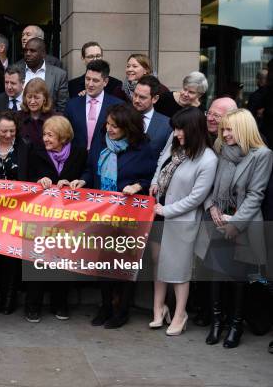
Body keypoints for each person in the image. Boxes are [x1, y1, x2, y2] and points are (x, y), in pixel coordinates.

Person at [69, 103, 157, 328]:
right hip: (102, 211)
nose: (109, 129)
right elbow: (91, 169)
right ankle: (106, 306)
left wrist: (138, 186)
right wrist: (84, 180)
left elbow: (150, 179)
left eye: (115, 126)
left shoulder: (142, 148)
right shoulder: (100, 142)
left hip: (128, 213)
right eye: (108, 124)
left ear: (127, 127)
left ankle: (122, 309)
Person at [195, 109, 273, 348]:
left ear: (243, 129)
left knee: (240, 278)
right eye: (223, 129)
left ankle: (236, 325)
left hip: (244, 224)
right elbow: (210, 187)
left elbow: (255, 195)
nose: (225, 134)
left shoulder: (262, 154)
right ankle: (217, 322)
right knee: (216, 273)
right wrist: (213, 210)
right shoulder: (221, 150)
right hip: (217, 221)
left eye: (230, 129)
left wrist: (235, 225)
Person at [149, 107, 217, 336]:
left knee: (180, 270)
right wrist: (157, 182)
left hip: (181, 220)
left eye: (180, 129)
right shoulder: (180, 147)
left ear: (193, 129)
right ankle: (162, 309)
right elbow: (163, 165)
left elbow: (196, 198)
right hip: (163, 213)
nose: (176, 133)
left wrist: (167, 209)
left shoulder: (207, 159)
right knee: (161, 264)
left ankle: (180, 314)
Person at [25, 115, 87, 322]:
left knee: (63, 259)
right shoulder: (36, 152)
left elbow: (87, 173)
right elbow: (26, 177)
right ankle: (33, 305)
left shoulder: (78, 153)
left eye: (50, 135)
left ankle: (60, 303)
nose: (45, 139)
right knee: (38, 259)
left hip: (68, 216)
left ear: (62, 137)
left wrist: (78, 181)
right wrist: (38, 180)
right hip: (41, 216)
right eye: (44, 134)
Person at [0, 111, 29, 315]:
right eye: (4, 131)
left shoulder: (25, 146)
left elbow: (31, 175)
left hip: (17, 211)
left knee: (12, 254)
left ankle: (10, 296)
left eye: (12, 131)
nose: (9, 135)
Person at [64, 60, 123, 150]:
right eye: (87, 79)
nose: (90, 84)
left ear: (105, 82)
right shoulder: (72, 105)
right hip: (77, 160)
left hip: (105, 160)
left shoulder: (118, 105)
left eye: (95, 80)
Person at [22, 38, 68, 112]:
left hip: (49, 121)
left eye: (32, 51)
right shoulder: (17, 71)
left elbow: (62, 106)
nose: (28, 54)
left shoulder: (59, 75)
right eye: (25, 51)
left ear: (43, 54)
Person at [132, 75, 173, 157]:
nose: (136, 100)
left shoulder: (167, 125)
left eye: (142, 97)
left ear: (155, 99)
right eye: (135, 95)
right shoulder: (121, 116)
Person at [18, 78, 60, 147]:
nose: (32, 101)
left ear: (44, 99)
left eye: (36, 98)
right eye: (29, 97)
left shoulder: (56, 118)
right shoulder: (17, 117)